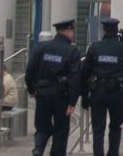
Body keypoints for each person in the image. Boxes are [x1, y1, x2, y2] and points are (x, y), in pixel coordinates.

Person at [81, 18, 123, 156]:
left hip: (97, 92)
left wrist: (84, 95)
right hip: (116, 92)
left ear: (104, 31)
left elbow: (85, 72)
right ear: (117, 31)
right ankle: (113, 153)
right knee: (115, 126)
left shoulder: (95, 47)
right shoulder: (122, 47)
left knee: (98, 129)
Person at [26, 19, 81, 156]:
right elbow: (75, 78)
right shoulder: (72, 50)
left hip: (43, 93)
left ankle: (38, 149)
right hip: (61, 95)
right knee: (61, 130)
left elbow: (30, 70)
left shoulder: (41, 47)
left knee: (42, 126)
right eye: (72, 31)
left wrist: (32, 89)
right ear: (68, 31)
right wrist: (72, 101)